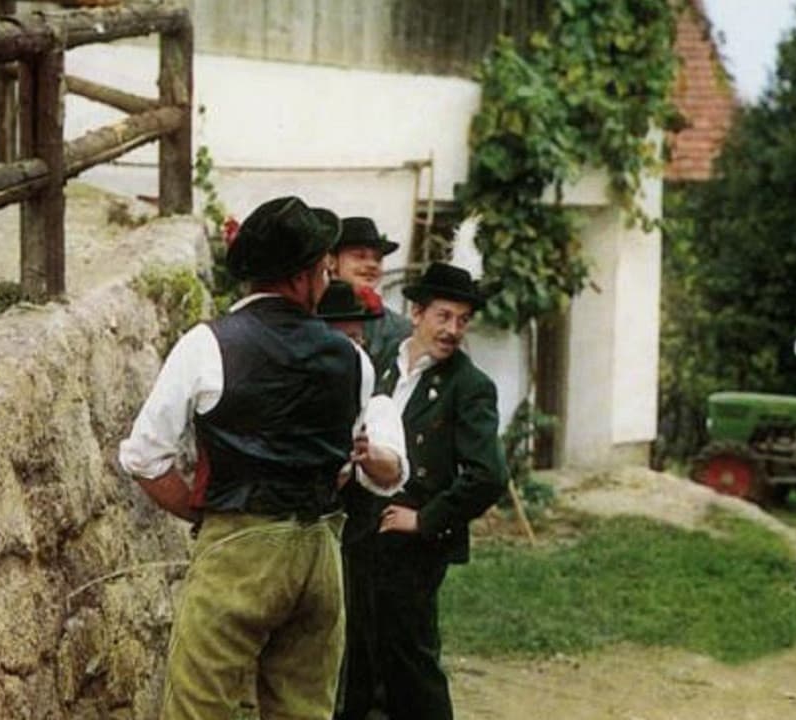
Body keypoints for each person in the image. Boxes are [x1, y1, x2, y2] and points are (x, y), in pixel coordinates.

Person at [118, 196, 389, 720]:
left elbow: (145, 457)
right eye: (323, 269)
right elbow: (343, 463)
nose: (327, 279)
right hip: (319, 549)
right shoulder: (354, 360)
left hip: (238, 548)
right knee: (304, 711)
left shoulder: (207, 345)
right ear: (303, 277)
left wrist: (204, 515)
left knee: (199, 709)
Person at [338, 261, 507, 720]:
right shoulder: (380, 365)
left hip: (412, 545)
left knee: (410, 660)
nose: (452, 330)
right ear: (416, 313)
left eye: (463, 320)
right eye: (443, 316)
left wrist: (425, 519)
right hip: (361, 531)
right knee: (357, 654)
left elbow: (488, 475)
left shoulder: (469, 386)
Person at [315, 279, 409, 719]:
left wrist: (367, 455)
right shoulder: (290, 398)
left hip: (351, 552)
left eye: (356, 339)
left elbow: (392, 469)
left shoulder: (375, 405)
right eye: (339, 339)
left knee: (351, 657)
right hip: (288, 551)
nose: (350, 350)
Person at [332, 216, 412, 373]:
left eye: (378, 259)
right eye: (359, 256)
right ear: (332, 262)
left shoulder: (400, 329)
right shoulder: (308, 315)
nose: (372, 265)